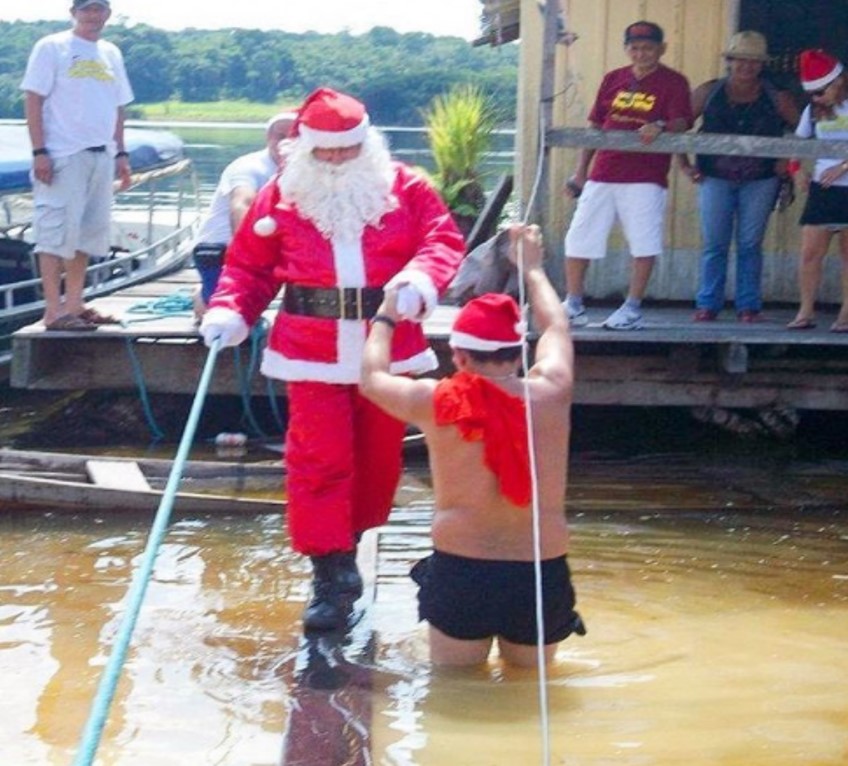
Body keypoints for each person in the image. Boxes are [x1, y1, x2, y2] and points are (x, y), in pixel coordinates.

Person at [199, 87, 465, 632]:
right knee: (316, 459)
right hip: (310, 350)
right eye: (328, 150)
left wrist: (421, 278)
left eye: (349, 148)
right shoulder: (281, 194)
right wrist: (230, 310)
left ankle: (352, 540)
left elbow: (441, 240)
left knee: (377, 461)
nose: (339, 158)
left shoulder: (405, 186)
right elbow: (248, 267)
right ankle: (330, 571)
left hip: (386, 347)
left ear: (367, 143)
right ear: (307, 148)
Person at [360, 224, 585, 667]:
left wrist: (386, 314)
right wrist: (532, 268)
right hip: (540, 569)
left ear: (458, 356)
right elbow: (556, 325)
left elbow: (370, 378)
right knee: (529, 690)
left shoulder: (435, 401)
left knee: (454, 691)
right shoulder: (552, 391)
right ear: (518, 354)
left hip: (463, 570)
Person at [563, 20, 692, 330]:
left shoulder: (674, 82)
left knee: (643, 242)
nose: (641, 54)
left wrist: (660, 126)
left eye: (648, 48)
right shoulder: (613, 79)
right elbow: (596, 126)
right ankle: (574, 303)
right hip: (603, 171)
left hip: (645, 176)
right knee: (579, 236)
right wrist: (580, 172)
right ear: (626, 49)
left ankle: (632, 308)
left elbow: (682, 122)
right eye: (634, 48)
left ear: (661, 49)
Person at [20, 0, 134, 332]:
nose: (93, 16)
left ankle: (75, 304)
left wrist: (121, 153)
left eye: (99, 9)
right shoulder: (52, 47)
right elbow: (33, 99)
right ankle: (53, 311)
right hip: (63, 153)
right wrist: (39, 151)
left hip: (101, 154)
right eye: (86, 9)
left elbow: (118, 107)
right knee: (54, 234)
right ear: (73, 13)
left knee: (87, 235)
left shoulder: (111, 52)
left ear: (108, 13)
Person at [679, 31, 799, 323]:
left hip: (761, 179)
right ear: (730, 61)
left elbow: (803, 130)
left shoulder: (777, 96)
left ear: (762, 65)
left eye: (753, 61)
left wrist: (786, 160)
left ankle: (748, 306)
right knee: (714, 243)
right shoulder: (708, 92)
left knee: (750, 244)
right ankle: (708, 304)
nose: (746, 66)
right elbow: (678, 126)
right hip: (713, 177)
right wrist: (684, 164)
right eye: (740, 60)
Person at [191, 111, 296, 319]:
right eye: (280, 136)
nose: (286, 142)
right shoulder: (248, 167)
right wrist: (249, 255)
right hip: (219, 248)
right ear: (268, 137)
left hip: (273, 245)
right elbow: (242, 203)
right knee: (233, 316)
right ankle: (202, 295)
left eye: (294, 136)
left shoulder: (306, 172)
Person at [786, 49, 848, 333]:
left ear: (838, 82)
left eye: (821, 92)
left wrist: (843, 166)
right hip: (823, 188)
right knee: (810, 253)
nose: (816, 98)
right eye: (812, 94)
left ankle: (845, 314)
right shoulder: (812, 111)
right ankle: (805, 311)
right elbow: (796, 144)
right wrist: (797, 170)